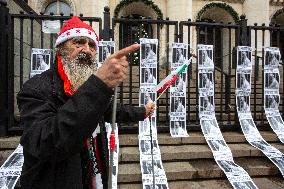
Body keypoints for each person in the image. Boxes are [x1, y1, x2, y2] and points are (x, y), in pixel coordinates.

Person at [17, 17, 156, 189]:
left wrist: (142, 111)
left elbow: (111, 110)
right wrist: (98, 85)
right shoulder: (36, 88)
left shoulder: (87, 86)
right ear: (60, 49)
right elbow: (47, 143)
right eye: (79, 42)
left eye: (92, 46)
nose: (87, 50)